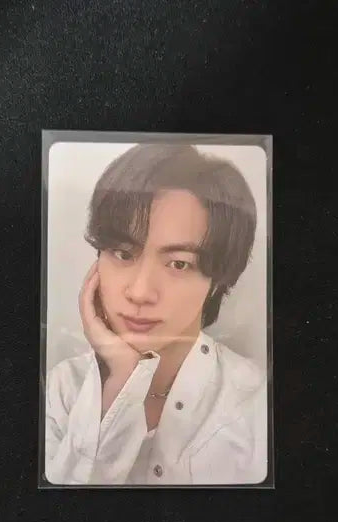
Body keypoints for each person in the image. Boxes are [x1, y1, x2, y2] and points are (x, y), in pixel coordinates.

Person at [44, 143, 267, 485]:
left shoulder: (256, 404)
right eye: (123, 253)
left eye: (178, 264)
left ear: (218, 280)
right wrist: (119, 380)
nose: (140, 292)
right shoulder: (62, 390)